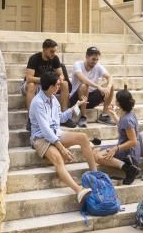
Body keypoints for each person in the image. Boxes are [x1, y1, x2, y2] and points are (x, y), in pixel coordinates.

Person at [29, 71, 98, 203]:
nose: (59, 86)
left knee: (83, 137)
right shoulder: (38, 102)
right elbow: (45, 130)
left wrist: (75, 107)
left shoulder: (53, 99)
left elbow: (59, 118)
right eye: (57, 85)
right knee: (59, 160)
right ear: (50, 86)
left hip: (55, 133)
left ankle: (95, 174)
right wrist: (61, 148)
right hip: (41, 138)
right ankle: (79, 190)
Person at [23, 38, 74, 129]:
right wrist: (45, 80)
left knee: (65, 84)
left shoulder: (55, 59)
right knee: (31, 86)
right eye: (51, 51)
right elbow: (29, 78)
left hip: (47, 85)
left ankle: (64, 116)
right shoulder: (34, 58)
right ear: (44, 49)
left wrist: (60, 79)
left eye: (55, 51)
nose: (54, 54)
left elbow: (61, 74)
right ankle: (30, 119)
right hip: (34, 84)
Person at [94, 89, 141, 185]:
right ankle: (126, 166)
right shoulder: (129, 114)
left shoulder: (127, 119)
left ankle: (128, 169)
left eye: (116, 99)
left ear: (119, 103)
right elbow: (121, 125)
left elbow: (133, 141)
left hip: (129, 152)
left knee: (98, 157)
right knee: (94, 151)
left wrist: (115, 149)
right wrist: (113, 113)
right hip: (124, 148)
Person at [69, 46, 115, 128]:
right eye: (93, 59)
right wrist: (98, 86)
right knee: (84, 85)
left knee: (111, 86)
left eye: (97, 60)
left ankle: (104, 115)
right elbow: (83, 79)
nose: (95, 62)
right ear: (86, 57)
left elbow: (110, 77)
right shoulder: (77, 64)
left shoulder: (97, 66)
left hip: (90, 99)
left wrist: (108, 87)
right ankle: (83, 117)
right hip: (76, 100)